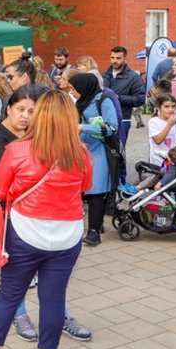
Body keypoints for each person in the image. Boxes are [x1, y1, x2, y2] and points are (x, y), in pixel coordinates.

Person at [0, 91, 92, 349]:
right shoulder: (81, 152)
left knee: (10, 294)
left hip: (25, 233)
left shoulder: (17, 150)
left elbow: (0, 190)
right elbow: (84, 187)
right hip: (68, 235)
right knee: (54, 299)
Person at [69, 73, 119, 247]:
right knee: (85, 191)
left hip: (99, 152)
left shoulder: (103, 101)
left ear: (84, 88)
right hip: (82, 152)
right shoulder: (80, 103)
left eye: (73, 89)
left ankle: (93, 232)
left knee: (95, 192)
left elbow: (112, 127)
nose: (72, 92)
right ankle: (94, 226)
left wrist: (84, 127)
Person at [103, 46, 145, 176]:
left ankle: (121, 181)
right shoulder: (105, 75)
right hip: (103, 119)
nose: (115, 61)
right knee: (105, 152)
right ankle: (108, 183)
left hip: (123, 119)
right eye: (112, 57)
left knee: (118, 152)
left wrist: (119, 98)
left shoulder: (133, 77)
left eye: (118, 58)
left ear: (124, 58)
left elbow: (140, 99)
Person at [148, 94, 176, 166]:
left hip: (172, 160)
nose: (170, 109)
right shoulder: (153, 121)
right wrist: (169, 125)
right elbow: (158, 140)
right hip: (158, 161)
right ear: (158, 107)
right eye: (166, 106)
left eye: (173, 106)